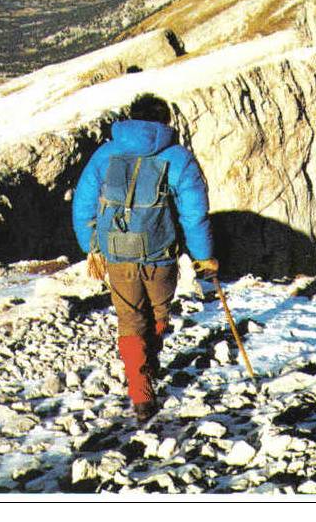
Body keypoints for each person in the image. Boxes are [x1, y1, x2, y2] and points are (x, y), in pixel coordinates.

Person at [71, 93, 219, 423]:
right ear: (165, 121)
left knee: (130, 318)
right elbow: (194, 214)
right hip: (160, 253)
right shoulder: (178, 157)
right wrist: (204, 257)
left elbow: (83, 204)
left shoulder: (106, 154)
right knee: (158, 314)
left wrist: (92, 247)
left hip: (116, 252)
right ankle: (149, 365)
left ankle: (142, 395)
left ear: (131, 118)